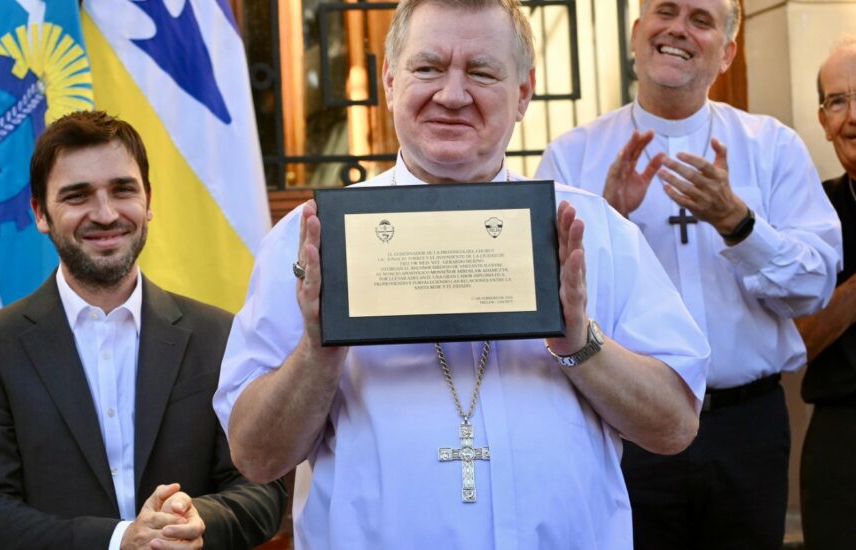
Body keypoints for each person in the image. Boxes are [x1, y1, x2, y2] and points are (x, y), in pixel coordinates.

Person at [214, 1, 710, 548]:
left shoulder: (594, 232)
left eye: (481, 71)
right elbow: (255, 457)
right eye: (428, 68)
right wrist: (319, 351)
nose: (452, 94)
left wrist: (580, 344)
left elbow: (675, 427)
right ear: (389, 79)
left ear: (524, 92)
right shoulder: (310, 238)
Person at [536, 0, 843, 547]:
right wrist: (608, 223)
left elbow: (815, 287)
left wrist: (739, 222)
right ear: (636, 34)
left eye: (700, 20)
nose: (678, 29)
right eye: (665, 12)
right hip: (621, 422)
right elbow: (547, 310)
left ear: (726, 54)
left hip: (745, 425)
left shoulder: (772, 147)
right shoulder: (572, 157)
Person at [0, 110, 286, 550]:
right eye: (77, 196)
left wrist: (196, 521)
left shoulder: (219, 336)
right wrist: (119, 539)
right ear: (40, 213)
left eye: (122, 190)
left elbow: (263, 486)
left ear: (148, 201)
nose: (105, 214)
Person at [796, 38, 856, 550]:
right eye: (838, 101)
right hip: (843, 433)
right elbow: (800, 342)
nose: (852, 117)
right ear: (822, 118)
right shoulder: (814, 209)